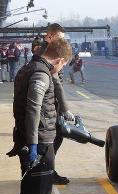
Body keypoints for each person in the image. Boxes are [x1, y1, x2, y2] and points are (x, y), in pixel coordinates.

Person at [12, 38, 72, 194]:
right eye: (63, 65)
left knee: (28, 191)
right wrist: (35, 144)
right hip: (39, 142)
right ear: (58, 59)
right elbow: (33, 109)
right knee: (39, 193)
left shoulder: (27, 68)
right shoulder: (41, 73)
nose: (61, 68)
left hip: (25, 138)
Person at [33, 23, 74, 185]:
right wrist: (65, 109)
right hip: (48, 105)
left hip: (51, 102)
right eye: (59, 38)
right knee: (52, 139)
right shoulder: (45, 54)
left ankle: (47, 169)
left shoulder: (47, 51)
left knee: (56, 138)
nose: (62, 43)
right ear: (49, 37)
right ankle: (46, 171)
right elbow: (56, 83)